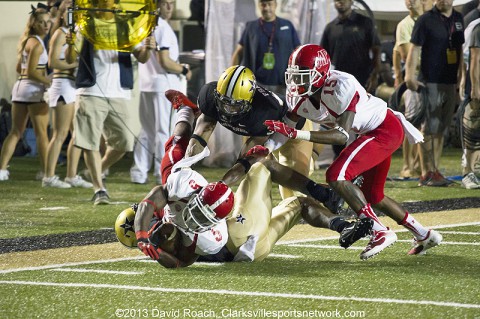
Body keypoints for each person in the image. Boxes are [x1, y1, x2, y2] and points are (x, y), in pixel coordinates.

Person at [114, 107, 373, 267]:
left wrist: (145, 240)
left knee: (298, 204)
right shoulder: (201, 235)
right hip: (238, 230)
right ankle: (324, 192)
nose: (153, 226)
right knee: (262, 164)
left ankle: (342, 226)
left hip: (253, 249)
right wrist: (247, 162)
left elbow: (154, 201)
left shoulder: (176, 211)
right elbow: (207, 202)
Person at [264, 44, 443, 260]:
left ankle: (378, 230)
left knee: (336, 175)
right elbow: (285, 128)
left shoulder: (341, 85)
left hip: (384, 129)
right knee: (373, 196)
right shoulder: (299, 96)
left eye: (303, 76)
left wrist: (296, 134)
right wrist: (265, 149)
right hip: (370, 133)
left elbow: (340, 135)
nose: (297, 83)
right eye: (294, 76)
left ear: (321, 74)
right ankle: (424, 234)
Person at [165, 66, 342, 213]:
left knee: (292, 196)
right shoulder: (209, 96)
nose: (227, 110)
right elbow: (199, 138)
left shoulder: (263, 112)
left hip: (291, 131)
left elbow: (244, 163)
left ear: (249, 101)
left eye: (234, 105)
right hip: (255, 130)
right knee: (260, 171)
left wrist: (217, 189)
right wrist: (184, 167)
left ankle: (324, 182)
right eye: (223, 102)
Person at [65, 0, 155, 204]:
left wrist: (148, 48)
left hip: (119, 93)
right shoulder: (85, 25)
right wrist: (70, 43)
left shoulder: (124, 26)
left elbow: (141, 57)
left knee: (125, 141)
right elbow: (71, 58)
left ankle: (98, 169)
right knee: (89, 142)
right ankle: (99, 189)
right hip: (90, 90)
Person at [130, 0, 192, 185]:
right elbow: (165, 61)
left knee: (147, 131)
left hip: (147, 84)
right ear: (157, 5)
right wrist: (183, 70)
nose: (170, 8)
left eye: (172, 4)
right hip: (163, 87)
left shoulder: (143, 24)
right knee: (163, 131)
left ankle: (138, 172)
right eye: (166, 4)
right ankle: (161, 172)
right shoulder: (162, 26)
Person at [405, 0, 464, 187]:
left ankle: (435, 170)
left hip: (449, 81)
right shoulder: (425, 20)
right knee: (428, 129)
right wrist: (409, 75)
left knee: (440, 129)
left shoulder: (458, 19)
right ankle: (425, 173)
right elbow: (414, 49)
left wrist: (460, 77)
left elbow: (461, 50)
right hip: (429, 80)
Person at [319, 0, 381, 159]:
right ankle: (339, 159)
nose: (340, 2)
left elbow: (376, 49)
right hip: (340, 86)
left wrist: (375, 75)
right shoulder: (330, 27)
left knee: (365, 122)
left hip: (363, 81)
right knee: (338, 122)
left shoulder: (365, 22)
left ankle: (364, 159)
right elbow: (323, 58)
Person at [42, 8, 92, 189]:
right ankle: (48, 176)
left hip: (74, 85)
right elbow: (52, 62)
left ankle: (71, 175)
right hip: (62, 83)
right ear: (63, 14)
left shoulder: (78, 34)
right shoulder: (60, 33)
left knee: (77, 133)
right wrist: (76, 64)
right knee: (60, 133)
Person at [0, 7, 51, 182]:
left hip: (19, 89)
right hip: (33, 91)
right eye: (42, 22)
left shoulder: (26, 41)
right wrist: (49, 81)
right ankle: (45, 173)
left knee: (15, 131)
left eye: (48, 21)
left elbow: (18, 68)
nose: (46, 25)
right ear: (34, 24)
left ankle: (2, 170)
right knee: (42, 134)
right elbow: (31, 72)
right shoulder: (37, 44)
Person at [230, 0, 300, 96]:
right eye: (263, 5)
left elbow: (299, 51)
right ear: (259, 6)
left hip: (282, 85)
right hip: (256, 85)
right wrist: (232, 76)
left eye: (269, 4)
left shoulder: (287, 25)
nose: (266, 8)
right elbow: (238, 52)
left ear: (275, 5)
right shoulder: (250, 27)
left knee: (282, 110)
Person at [392, 0, 426, 180]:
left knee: (427, 125)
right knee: (412, 123)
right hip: (415, 79)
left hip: (431, 78)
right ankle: (407, 165)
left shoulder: (429, 20)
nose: (410, 2)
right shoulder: (404, 25)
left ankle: (422, 165)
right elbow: (402, 53)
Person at [459, 17, 480, 189]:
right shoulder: (478, 28)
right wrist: (475, 87)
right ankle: (468, 173)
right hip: (478, 86)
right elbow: (475, 59)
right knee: (473, 131)